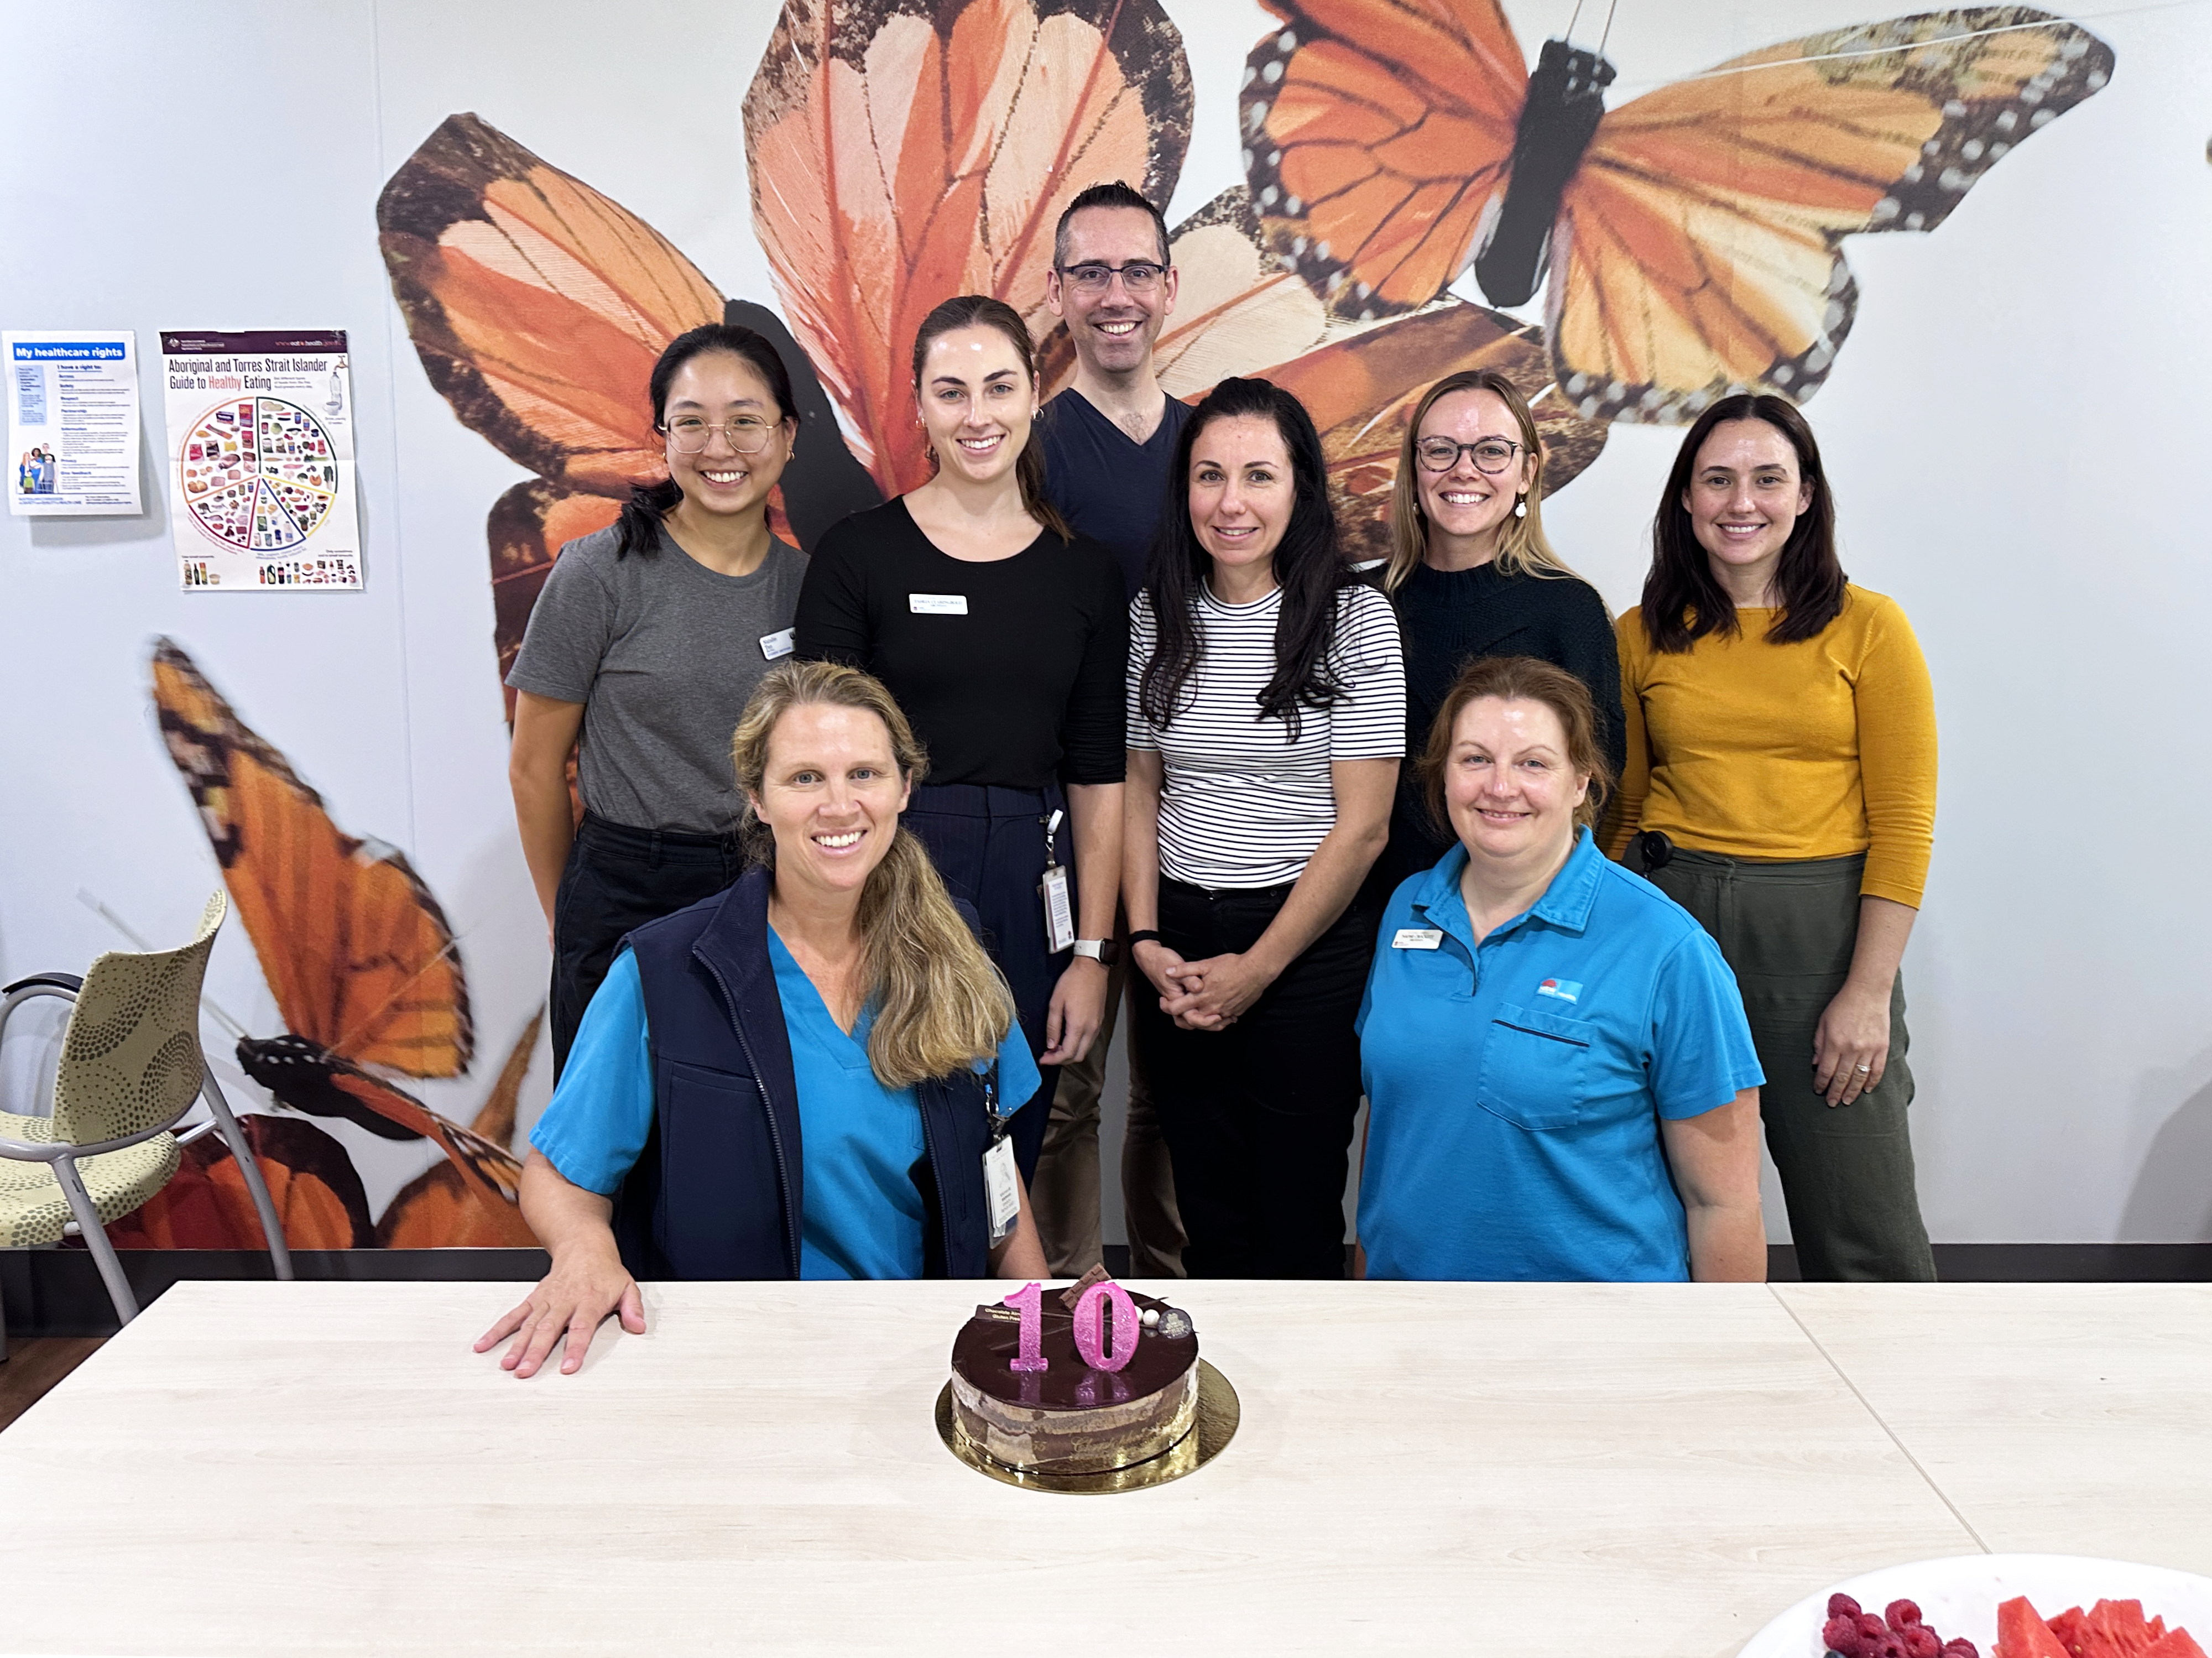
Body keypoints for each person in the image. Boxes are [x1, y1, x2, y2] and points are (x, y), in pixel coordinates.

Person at [477, 660, 1050, 1378]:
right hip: (732, 1360)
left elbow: (995, 1169)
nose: (839, 804)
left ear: (905, 788)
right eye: (805, 777)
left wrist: (1040, 1323)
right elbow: (560, 1174)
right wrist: (584, 1250)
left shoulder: (953, 951)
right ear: (758, 798)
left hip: (918, 1354)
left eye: (865, 774)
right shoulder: (665, 971)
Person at [795, 295, 1126, 1187]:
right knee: (879, 1129)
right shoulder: (859, 556)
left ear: (1034, 395)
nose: (977, 415)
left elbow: (1100, 774)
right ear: (919, 405)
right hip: (884, 876)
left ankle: (991, 1321)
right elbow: (817, 754)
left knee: (1010, 1129)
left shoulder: (1086, 572)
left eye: (998, 387)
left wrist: (1093, 954)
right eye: (952, 391)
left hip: (1032, 882)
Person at [1607, 394, 1938, 1282]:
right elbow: (1624, 815)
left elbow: (1903, 826)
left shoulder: (1872, 628)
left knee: (1858, 1213)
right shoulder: (1638, 637)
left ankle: (1896, 1403)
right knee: (1659, 1202)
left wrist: (1867, 992)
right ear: (1685, 498)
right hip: (1670, 927)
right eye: (1716, 479)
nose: (1739, 501)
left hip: (1820, 939)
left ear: (1805, 496)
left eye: (1766, 478)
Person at [1355, 656, 1766, 1281]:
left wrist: (1718, 1365)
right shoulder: (1405, 911)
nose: (1499, 787)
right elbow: (1395, 1131)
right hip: (1408, 1315)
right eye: (1474, 759)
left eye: (1533, 763)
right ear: (1443, 776)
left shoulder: (1664, 947)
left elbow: (1724, 1203)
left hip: (1595, 1335)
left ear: (1581, 782)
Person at [1125, 376, 1404, 1279]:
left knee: (1296, 1205)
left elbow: (1363, 828)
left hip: (1305, 944)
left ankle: (1311, 1410)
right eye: (1209, 476)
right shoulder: (1155, 614)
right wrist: (1143, 936)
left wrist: (1261, 968)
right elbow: (1139, 786)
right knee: (1207, 1204)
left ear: (1300, 490)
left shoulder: (1355, 616)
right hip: (1179, 936)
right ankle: (1222, 1403)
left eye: (1258, 475)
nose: (1231, 502)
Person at [507, 323, 809, 1074]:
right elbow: (535, 768)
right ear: (661, 438)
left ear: (787, 434)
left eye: (745, 419)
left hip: (770, 889)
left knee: (751, 1132)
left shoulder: (812, 587)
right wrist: (565, 914)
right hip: (626, 888)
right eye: (692, 422)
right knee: (614, 1145)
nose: (720, 446)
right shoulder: (599, 573)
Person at [1029, 179, 1190, 1279]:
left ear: (1170, 287)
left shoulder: (1214, 450)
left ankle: (1179, 1289)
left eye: (1136, 270)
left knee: (1180, 1079)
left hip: (1199, 810)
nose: (1115, 294)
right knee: (1068, 1074)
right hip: (1070, 807)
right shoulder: (1027, 450)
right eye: (1090, 271)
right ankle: (1071, 1299)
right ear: (1057, 293)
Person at [1371, 369, 1622, 898]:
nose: (1464, 471)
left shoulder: (1569, 611)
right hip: (1362, 914)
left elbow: (1593, 790)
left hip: (1515, 911)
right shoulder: (1358, 603)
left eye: (1491, 451)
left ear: (1528, 471)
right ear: (1414, 468)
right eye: (1440, 450)